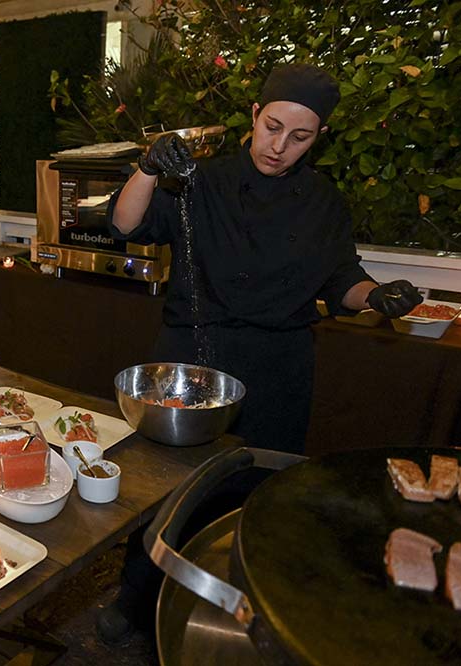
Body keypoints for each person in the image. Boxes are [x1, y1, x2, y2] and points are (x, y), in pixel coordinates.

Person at [96, 63, 423, 643]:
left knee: (254, 493)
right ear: (254, 114)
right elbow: (127, 223)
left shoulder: (322, 199)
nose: (279, 147)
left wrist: (378, 296)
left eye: (299, 137)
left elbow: (341, 279)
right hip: (193, 360)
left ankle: (231, 610)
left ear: (317, 137)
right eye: (272, 127)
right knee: (167, 490)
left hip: (278, 366)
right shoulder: (202, 180)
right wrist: (149, 165)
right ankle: (134, 598)